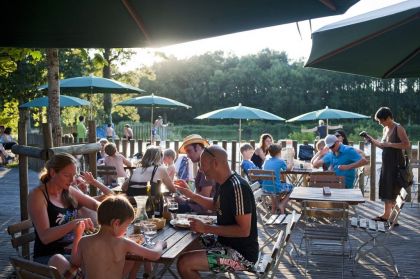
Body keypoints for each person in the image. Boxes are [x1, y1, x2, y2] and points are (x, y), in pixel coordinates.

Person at [175, 145, 258, 278]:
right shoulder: (224, 183)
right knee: (186, 245)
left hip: (241, 255)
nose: (200, 170)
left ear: (215, 163)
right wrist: (191, 194)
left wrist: (206, 228)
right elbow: (216, 205)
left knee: (184, 263)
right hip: (224, 242)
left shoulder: (237, 187)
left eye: (202, 165)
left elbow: (244, 230)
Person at [50, 195, 166, 279]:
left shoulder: (84, 241)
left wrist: (78, 236)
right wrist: (159, 244)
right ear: (116, 224)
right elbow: (154, 255)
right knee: (133, 257)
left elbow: (75, 261)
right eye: (126, 226)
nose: (126, 230)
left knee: (56, 259)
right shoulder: (123, 243)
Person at [27, 153, 99, 265]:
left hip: (72, 249)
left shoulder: (68, 189)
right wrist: (73, 224)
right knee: (94, 262)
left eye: (74, 175)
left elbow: (95, 205)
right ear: (52, 173)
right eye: (66, 175)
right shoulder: (37, 195)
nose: (72, 180)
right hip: (50, 257)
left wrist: (115, 209)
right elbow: (45, 237)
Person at [364, 107, 410, 221]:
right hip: (387, 164)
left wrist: (390, 144)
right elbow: (383, 145)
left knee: (394, 189)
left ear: (388, 118)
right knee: (386, 188)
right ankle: (386, 214)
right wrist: (372, 140)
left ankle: (394, 217)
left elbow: (406, 144)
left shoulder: (398, 128)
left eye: (381, 120)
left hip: (396, 164)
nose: (379, 123)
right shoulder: (385, 129)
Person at [176, 134, 217, 214]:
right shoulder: (202, 165)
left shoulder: (208, 166)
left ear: (198, 147)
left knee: (171, 206)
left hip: (206, 213)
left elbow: (205, 196)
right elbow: (200, 194)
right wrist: (187, 190)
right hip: (200, 209)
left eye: (189, 151)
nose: (187, 155)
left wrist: (186, 199)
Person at [262, 144, 294, 214]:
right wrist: (291, 157)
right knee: (292, 188)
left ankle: (274, 208)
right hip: (276, 188)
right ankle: (282, 204)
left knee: (276, 185)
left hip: (265, 188)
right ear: (279, 153)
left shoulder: (266, 160)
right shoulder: (280, 161)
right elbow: (289, 169)